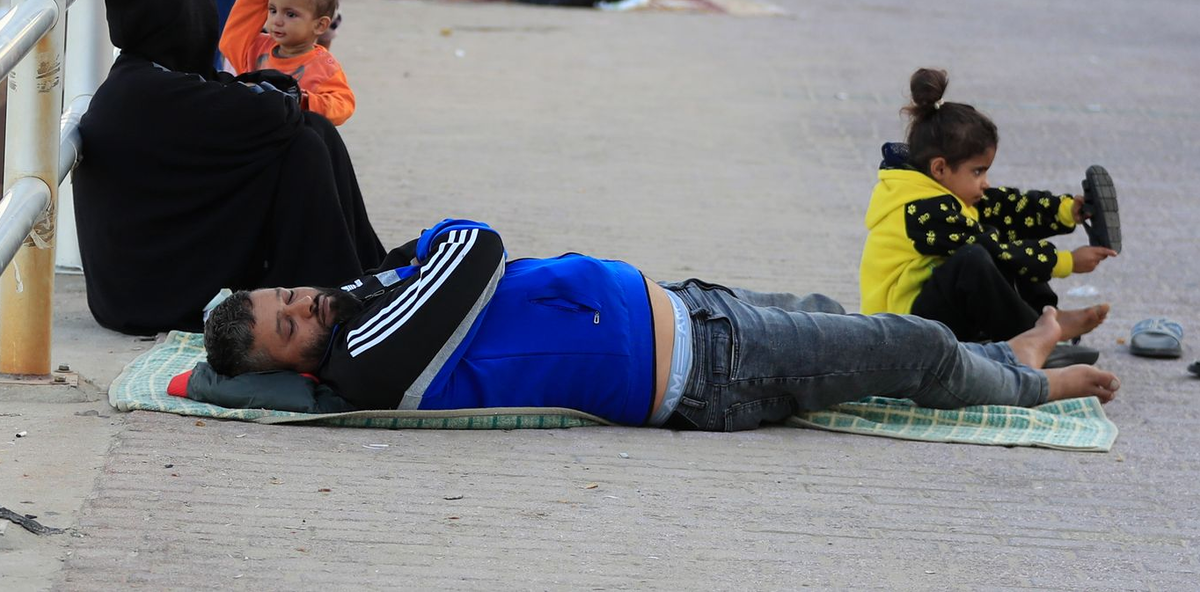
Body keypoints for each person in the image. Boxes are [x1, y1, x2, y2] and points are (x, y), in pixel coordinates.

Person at [203, 215, 1120, 423]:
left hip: (690, 311)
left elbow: (431, 266)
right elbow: (472, 244)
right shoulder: (368, 352)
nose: (306, 303)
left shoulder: (360, 310)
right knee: (905, 343)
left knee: (840, 322)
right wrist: (394, 268)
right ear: (295, 365)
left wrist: (374, 278)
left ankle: (1009, 347)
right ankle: (1033, 385)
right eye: (289, 324)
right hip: (707, 366)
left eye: (287, 295)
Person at [72, 0, 384, 335]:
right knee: (301, 145)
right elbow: (273, 112)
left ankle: (360, 276)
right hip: (152, 296)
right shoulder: (156, 93)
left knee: (312, 129)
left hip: (141, 280)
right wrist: (274, 92)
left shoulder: (142, 78)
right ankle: (336, 291)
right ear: (188, 24)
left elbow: (255, 104)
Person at [859, 68, 1115, 346]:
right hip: (901, 333)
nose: (985, 182)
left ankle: (1044, 318)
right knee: (977, 258)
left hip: (928, 319)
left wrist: (1065, 211)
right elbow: (996, 251)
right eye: (978, 171)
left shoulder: (942, 192)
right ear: (940, 168)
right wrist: (1068, 262)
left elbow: (1007, 208)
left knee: (1002, 235)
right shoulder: (920, 211)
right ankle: (1034, 339)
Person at [220, 0, 355, 126]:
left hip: (294, 135)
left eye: (290, 14)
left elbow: (343, 106)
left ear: (320, 25)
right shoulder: (257, 47)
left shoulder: (325, 66)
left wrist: (304, 100)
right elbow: (230, 41)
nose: (277, 21)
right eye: (273, 10)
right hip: (253, 129)